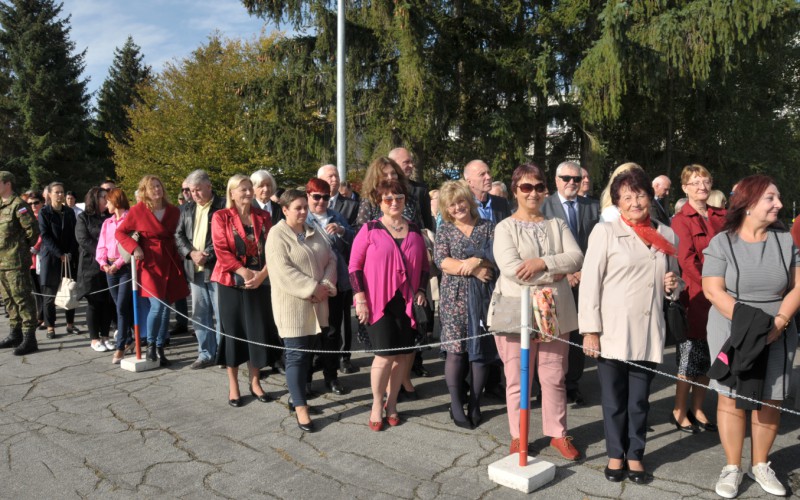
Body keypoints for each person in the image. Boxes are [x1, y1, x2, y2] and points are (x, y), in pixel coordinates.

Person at [580, 168, 682, 484]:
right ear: (618, 203)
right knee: (613, 400)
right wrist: (590, 330)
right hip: (611, 331)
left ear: (650, 198)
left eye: (640, 195)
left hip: (648, 331)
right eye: (627, 197)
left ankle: (635, 455)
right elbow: (590, 284)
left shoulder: (667, 234)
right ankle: (615, 454)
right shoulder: (605, 232)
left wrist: (672, 285)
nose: (635, 202)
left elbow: (675, 285)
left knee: (639, 401)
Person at [702, 175, 799, 498]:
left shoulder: (785, 241)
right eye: (771, 198)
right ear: (748, 203)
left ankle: (760, 464)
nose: (779, 205)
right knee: (730, 397)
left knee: (769, 397)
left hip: (778, 330)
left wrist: (780, 322)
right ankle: (732, 467)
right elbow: (713, 290)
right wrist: (752, 326)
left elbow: (798, 286)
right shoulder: (722, 243)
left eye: (778, 198)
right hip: (731, 328)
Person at [490, 163, 584, 459]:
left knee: (554, 375)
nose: (533, 193)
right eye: (526, 187)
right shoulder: (504, 227)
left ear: (546, 190)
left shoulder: (558, 224)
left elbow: (577, 257)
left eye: (539, 187)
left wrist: (542, 264)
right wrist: (556, 271)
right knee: (518, 377)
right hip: (516, 310)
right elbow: (512, 270)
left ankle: (557, 432)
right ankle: (519, 435)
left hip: (555, 311)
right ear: (515, 190)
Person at [349, 179, 429, 431]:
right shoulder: (370, 229)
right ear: (379, 202)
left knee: (403, 357)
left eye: (399, 198)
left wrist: (421, 289)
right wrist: (359, 297)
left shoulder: (415, 230)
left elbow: (425, 266)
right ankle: (376, 404)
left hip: (407, 304)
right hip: (377, 303)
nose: (394, 203)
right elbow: (354, 267)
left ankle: (392, 403)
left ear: (405, 200)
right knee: (384, 356)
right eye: (388, 199)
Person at [266, 189, 338, 432]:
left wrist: (326, 285)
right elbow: (282, 271)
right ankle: (301, 408)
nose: (303, 211)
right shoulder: (277, 235)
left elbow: (331, 259)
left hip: (317, 305)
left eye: (304, 207)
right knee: (296, 356)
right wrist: (312, 288)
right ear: (284, 210)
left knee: (307, 354)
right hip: (293, 306)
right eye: (297, 208)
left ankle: (295, 398)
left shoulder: (313, 230)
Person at [434, 180, 497, 430]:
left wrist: (478, 260)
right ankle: (456, 403)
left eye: (460, 201)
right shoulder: (446, 230)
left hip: (483, 297)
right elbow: (442, 261)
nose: (457, 207)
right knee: (456, 351)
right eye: (451, 205)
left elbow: (497, 256)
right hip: (454, 298)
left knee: (479, 351)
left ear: (468, 200)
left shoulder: (488, 227)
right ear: (446, 209)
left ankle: (476, 402)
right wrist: (472, 268)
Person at [669, 165, 726, 433]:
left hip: (721, 294)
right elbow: (687, 261)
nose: (702, 187)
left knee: (708, 358)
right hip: (697, 295)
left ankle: (699, 408)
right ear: (685, 188)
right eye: (695, 182)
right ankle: (680, 410)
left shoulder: (720, 215)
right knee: (689, 358)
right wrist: (713, 282)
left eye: (706, 181)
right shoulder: (681, 219)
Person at [540, 160, 600, 405]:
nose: (572, 183)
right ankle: (546, 386)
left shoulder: (593, 207)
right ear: (556, 180)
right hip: (554, 281)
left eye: (576, 179)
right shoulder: (543, 207)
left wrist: (584, 271)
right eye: (566, 178)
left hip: (585, 282)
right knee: (550, 334)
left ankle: (573, 384)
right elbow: (542, 247)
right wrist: (566, 273)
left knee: (577, 336)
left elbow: (597, 245)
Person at [211, 174, 274, 407]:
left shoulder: (264, 216)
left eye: (250, 188)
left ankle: (255, 382)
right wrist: (245, 273)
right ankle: (234, 385)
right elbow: (221, 250)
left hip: (259, 282)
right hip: (231, 283)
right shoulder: (221, 216)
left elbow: (273, 249)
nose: (248, 193)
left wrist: (261, 275)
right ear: (232, 193)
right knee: (234, 334)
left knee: (256, 332)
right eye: (243, 189)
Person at [116, 175, 189, 366]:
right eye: (152, 187)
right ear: (145, 192)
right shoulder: (137, 210)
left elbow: (179, 233)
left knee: (166, 307)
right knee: (157, 306)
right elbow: (120, 232)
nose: (157, 190)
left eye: (159, 186)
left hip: (169, 260)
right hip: (149, 263)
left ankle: (159, 347)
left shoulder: (173, 211)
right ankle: (150, 346)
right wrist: (134, 247)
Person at [305, 177, 354, 387]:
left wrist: (342, 231)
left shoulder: (336, 216)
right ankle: (305, 380)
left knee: (333, 332)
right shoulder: (302, 216)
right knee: (308, 332)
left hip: (335, 283)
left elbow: (354, 239)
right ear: (308, 195)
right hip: (310, 282)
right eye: (316, 197)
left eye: (325, 197)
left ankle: (331, 377)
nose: (321, 202)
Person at [175, 170, 226, 369]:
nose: (194, 194)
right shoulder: (187, 209)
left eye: (197, 190)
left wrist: (207, 254)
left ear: (208, 186)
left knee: (221, 314)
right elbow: (178, 236)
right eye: (190, 190)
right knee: (200, 313)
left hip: (216, 268)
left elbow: (225, 236)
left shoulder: (222, 206)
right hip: (194, 269)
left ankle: (223, 354)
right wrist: (191, 253)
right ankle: (205, 353)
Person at [0, 171, 40, 355]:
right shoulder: (1, 205)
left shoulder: (19, 205)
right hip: (2, 262)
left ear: (7, 184)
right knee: (9, 299)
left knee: (22, 298)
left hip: (15, 261)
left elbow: (32, 231)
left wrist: (20, 249)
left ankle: (29, 338)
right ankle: (15, 333)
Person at [96, 188, 134, 364]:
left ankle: (120, 347)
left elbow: (131, 245)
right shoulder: (107, 223)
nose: (106, 204)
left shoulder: (130, 219)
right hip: (109, 268)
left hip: (125, 268)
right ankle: (130, 338)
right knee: (122, 308)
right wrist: (103, 263)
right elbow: (101, 246)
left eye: (108, 201)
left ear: (116, 202)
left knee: (121, 307)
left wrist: (117, 264)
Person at [38, 181, 79, 338]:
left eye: (62, 192)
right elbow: (45, 235)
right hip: (51, 258)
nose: (60, 195)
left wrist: (69, 253)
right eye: (57, 192)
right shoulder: (44, 212)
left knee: (70, 290)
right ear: (49, 194)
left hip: (68, 258)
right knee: (49, 295)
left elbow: (74, 234)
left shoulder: (69, 212)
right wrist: (59, 253)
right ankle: (50, 327)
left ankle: (70, 324)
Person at [75, 187, 114, 352]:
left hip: (109, 267)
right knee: (94, 303)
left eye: (107, 197)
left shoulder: (110, 217)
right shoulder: (83, 217)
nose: (106, 200)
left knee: (108, 303)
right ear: (94, 199)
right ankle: (94, 338)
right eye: (103, 197)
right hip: (91, 266)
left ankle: (105, 336)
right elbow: (83, 240)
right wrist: (102, 255)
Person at [389, 147, 435, 231]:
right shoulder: (380, 190)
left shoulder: (420, 190)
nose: (411, 165)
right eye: (406, 162)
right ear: (393, 164)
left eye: (411, 162)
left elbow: (427, 225)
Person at [463, 160, 511, 224]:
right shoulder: (462, 205)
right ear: (469, 182)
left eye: (489, 173)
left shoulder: (502, 203)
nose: (488, 177)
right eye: (482, 174)